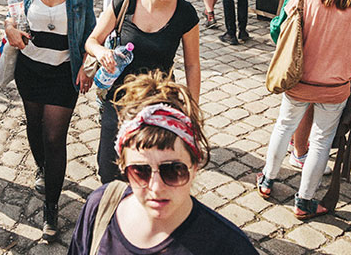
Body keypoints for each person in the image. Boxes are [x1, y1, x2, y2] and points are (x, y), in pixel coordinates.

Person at [67, 71, 256, 255]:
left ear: (195, 165)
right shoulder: (101, 206)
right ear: (123, 166)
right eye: (140, 171)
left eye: (173, 170)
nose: (156, 188)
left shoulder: (228, 247)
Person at [257, 0, 351, 220]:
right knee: (322, 142)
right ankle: (304, 201)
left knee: (284, 128)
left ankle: (267, 181)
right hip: (335, 88)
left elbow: (284, 28)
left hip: (299, 80)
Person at [5, 0, 96, 242]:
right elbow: (12, 14)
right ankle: (42, 169)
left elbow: (91, 35)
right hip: (30, 70)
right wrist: (11, 30)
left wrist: (87, 65)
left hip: (62, 74)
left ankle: (51, 207)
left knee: (54, 136)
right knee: (34, 125)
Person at [85, 0, 200, 183]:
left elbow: (192, 65)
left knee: (149, 172)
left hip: (159, 105)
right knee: (109, 170)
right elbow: (92, 40)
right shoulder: (124, 5)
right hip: (118, 101)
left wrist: (192, 110)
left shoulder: (185, 14)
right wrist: (101, 52)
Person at [270, 0, 351, 170]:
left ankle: (270, 177)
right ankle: (305, 194)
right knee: (319, 139)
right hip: (332, 83)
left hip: (304, 77)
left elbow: (278, 28)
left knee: (286, 125)